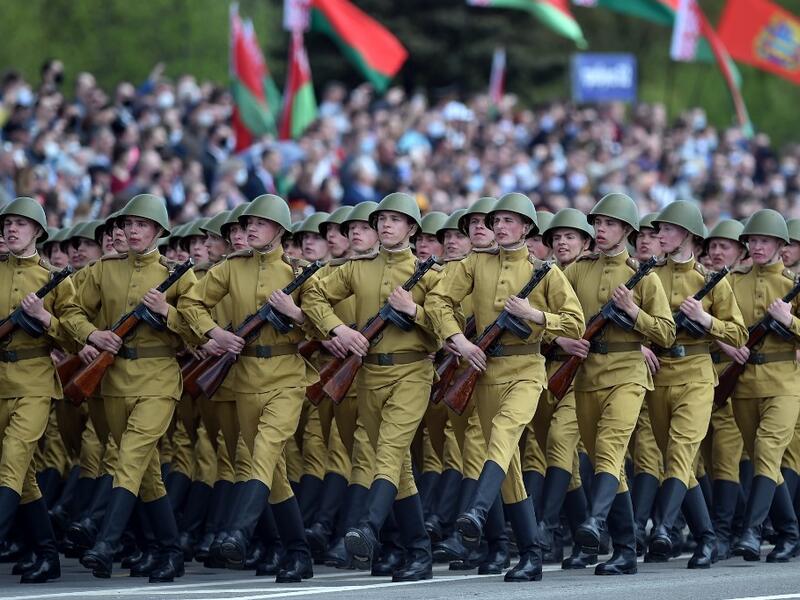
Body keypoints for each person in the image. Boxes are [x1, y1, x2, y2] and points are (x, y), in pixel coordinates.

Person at [428, 192, 584, 582]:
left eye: (509, 221)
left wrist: (534, 315)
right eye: (496, 221)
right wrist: (458, 341)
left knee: (503, 434)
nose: (498, 227)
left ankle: (477, 511)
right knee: (509, 469)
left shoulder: (545, 271)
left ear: (527, 228)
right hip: (483, 373)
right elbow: (437, 302)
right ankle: (531, 554)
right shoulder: (473, 263)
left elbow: (575, 323)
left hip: (527, 370)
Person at [302, 192, 442, 582]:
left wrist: (414, 311)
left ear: (412, 228)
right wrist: (340, 329)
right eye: (382, 219)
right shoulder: (356, 268)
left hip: (412, 372)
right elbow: (312, 295)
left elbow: (450, 322)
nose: (385, 225)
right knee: (399, 469)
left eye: (395, 220)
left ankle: (367, 526)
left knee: (389, 452)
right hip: (368, 376)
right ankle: (416, 551)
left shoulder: (429, 274)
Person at [178, 194, 319, 583]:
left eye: (258, 223)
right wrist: (216, 333)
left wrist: (296, 314)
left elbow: (322, 327)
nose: (250, 229)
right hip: (243, 377)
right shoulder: (230, 267)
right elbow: (191, 302)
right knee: (271, 471)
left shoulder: (299, 270)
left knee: (265, 450)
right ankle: (297, 551)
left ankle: (237, 531)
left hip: (286, 375)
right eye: (247, 223)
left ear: (278, 229)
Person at [66, 194, 200, 582]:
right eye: (129, 224)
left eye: (142, 224)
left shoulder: (180, 275)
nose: (133, 230)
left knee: (130, 457)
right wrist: (93, 335)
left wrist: (166, 312)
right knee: (147, 471)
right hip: (113, 378)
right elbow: (72, 311)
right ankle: (170, 551)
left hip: (158, 378)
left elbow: (196, 332)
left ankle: (106, 543)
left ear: (158, 230)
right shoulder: (102, 271)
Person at [563, 193, 674, 576]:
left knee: (611, 449)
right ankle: (625, 550)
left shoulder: (644, 275)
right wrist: (563, 340)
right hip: (587, 373)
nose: (601, 230)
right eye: (598, 223)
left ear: (626, 230)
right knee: (604, 462)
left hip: (628, 372)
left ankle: (594, 522)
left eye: (610, 224)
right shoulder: (577, 270)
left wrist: (633, 311)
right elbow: (560, 316)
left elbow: (666, 332)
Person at [644, 201, 746, 568]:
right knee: (679, 462)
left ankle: (664, 528)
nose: (660, 236)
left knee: (681, 452)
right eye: (658, 231)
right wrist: (640, 342)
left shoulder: (709, 279)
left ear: (687, 234)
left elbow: (737, 333)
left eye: (668, 230)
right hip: (660, 376)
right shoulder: (647, 274)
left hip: (697, 376)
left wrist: (705, 319)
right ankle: (706, 539)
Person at [716, 209, 800, 563]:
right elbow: (714, 324)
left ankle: (750, 531)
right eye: (752, 240)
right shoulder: (733, 281)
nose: (757, 246)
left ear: (781, 245)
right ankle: (790, 533)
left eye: (765, 240)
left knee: (767, 452)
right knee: (764, 459)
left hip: (784, 381)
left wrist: (789, 320)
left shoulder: (791, 284)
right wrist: (724, 344)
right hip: (744, 383)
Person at [0, 197, 77, 583]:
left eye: (21, 224)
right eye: (8, 223)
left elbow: (73, 336)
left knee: (13, 460)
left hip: (33, 382)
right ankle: (47, 554)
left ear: (38, 232)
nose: (11, 229)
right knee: (24, 476)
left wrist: (44, 317)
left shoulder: (53, 279)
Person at [531, 207, 598, 568]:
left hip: (585, 376)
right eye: (556, 237)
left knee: (559, 441)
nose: (561, 242)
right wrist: (558, 341)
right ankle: (579, 541)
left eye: (570, 236)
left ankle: (545, 525)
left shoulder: (593, 273)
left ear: (586, 241)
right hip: (549, 371)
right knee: (563, 461)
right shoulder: (544, 274)